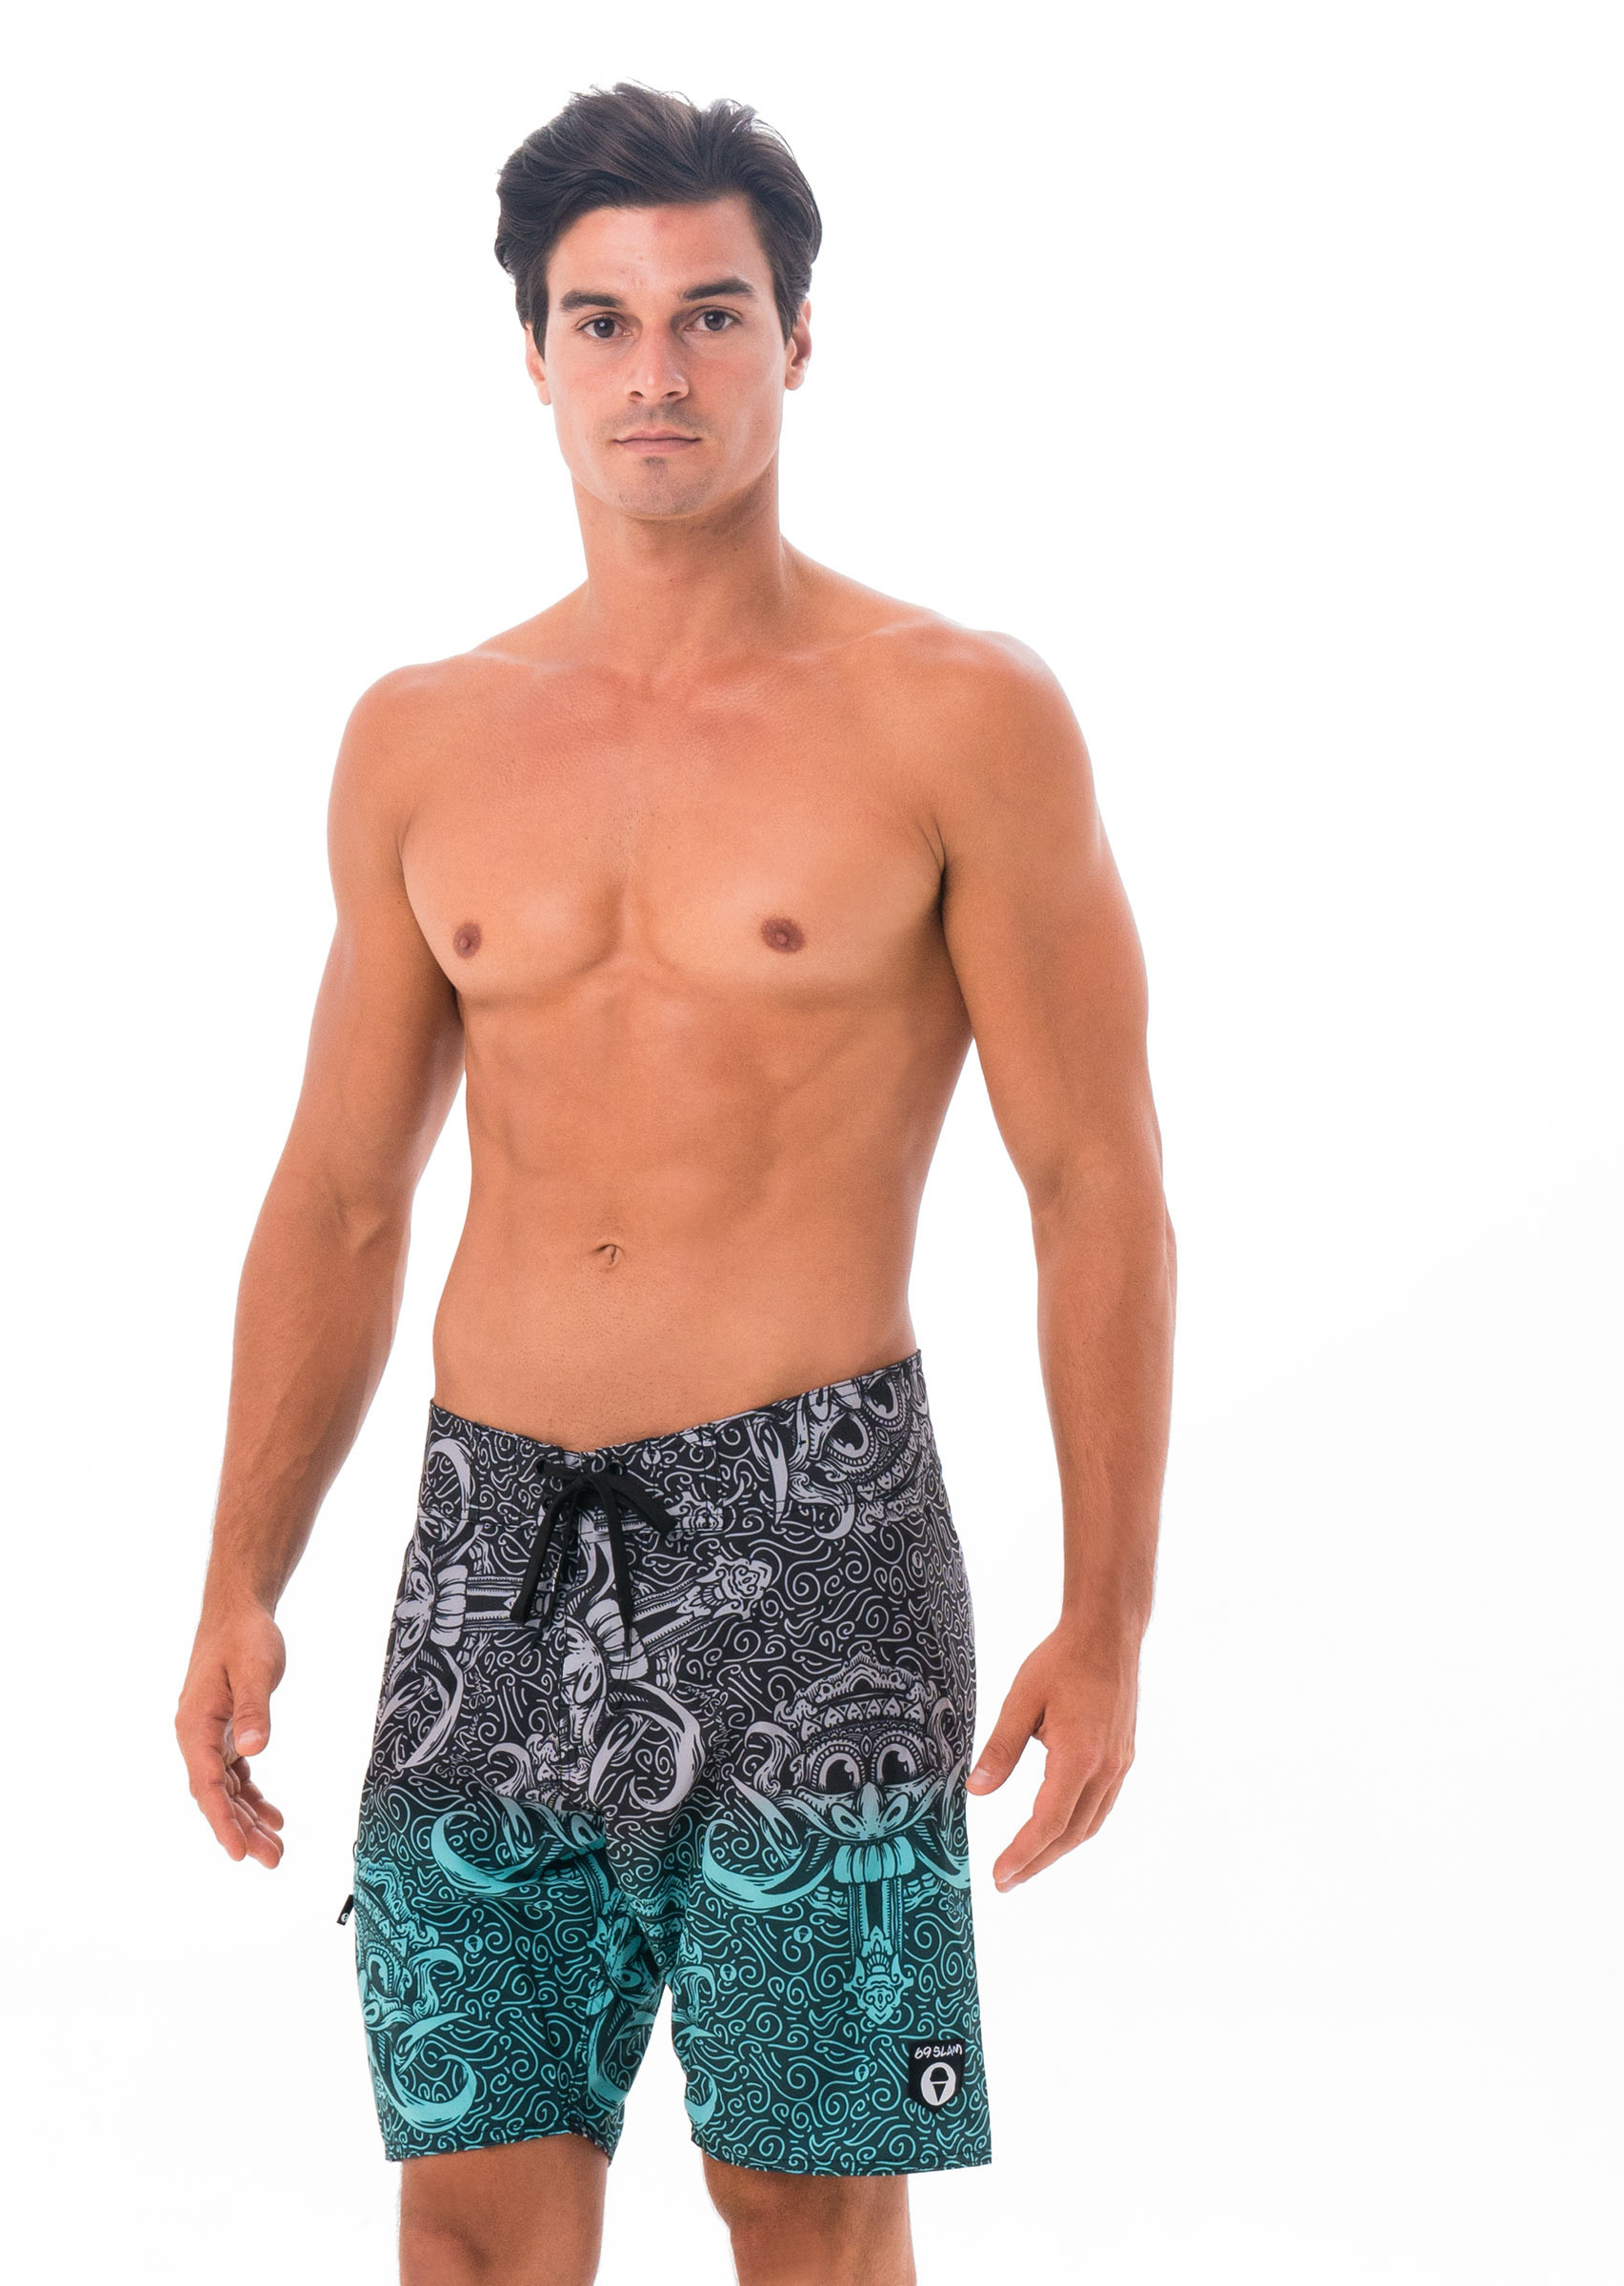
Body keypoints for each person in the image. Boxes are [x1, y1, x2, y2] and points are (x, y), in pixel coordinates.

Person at [174, 82, 1174, 2286]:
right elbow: (340, 1194)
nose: (655, 370)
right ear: (531, 356)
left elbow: (1091, 1175)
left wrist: (1107, 1618)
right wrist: (242, 1572)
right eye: (602, 321)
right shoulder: (423, 736)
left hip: (813, 1537)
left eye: (710, 314)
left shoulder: (957, 717)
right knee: (469, 2215)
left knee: (808, 2210)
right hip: (485, 1559)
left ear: (795, 340)